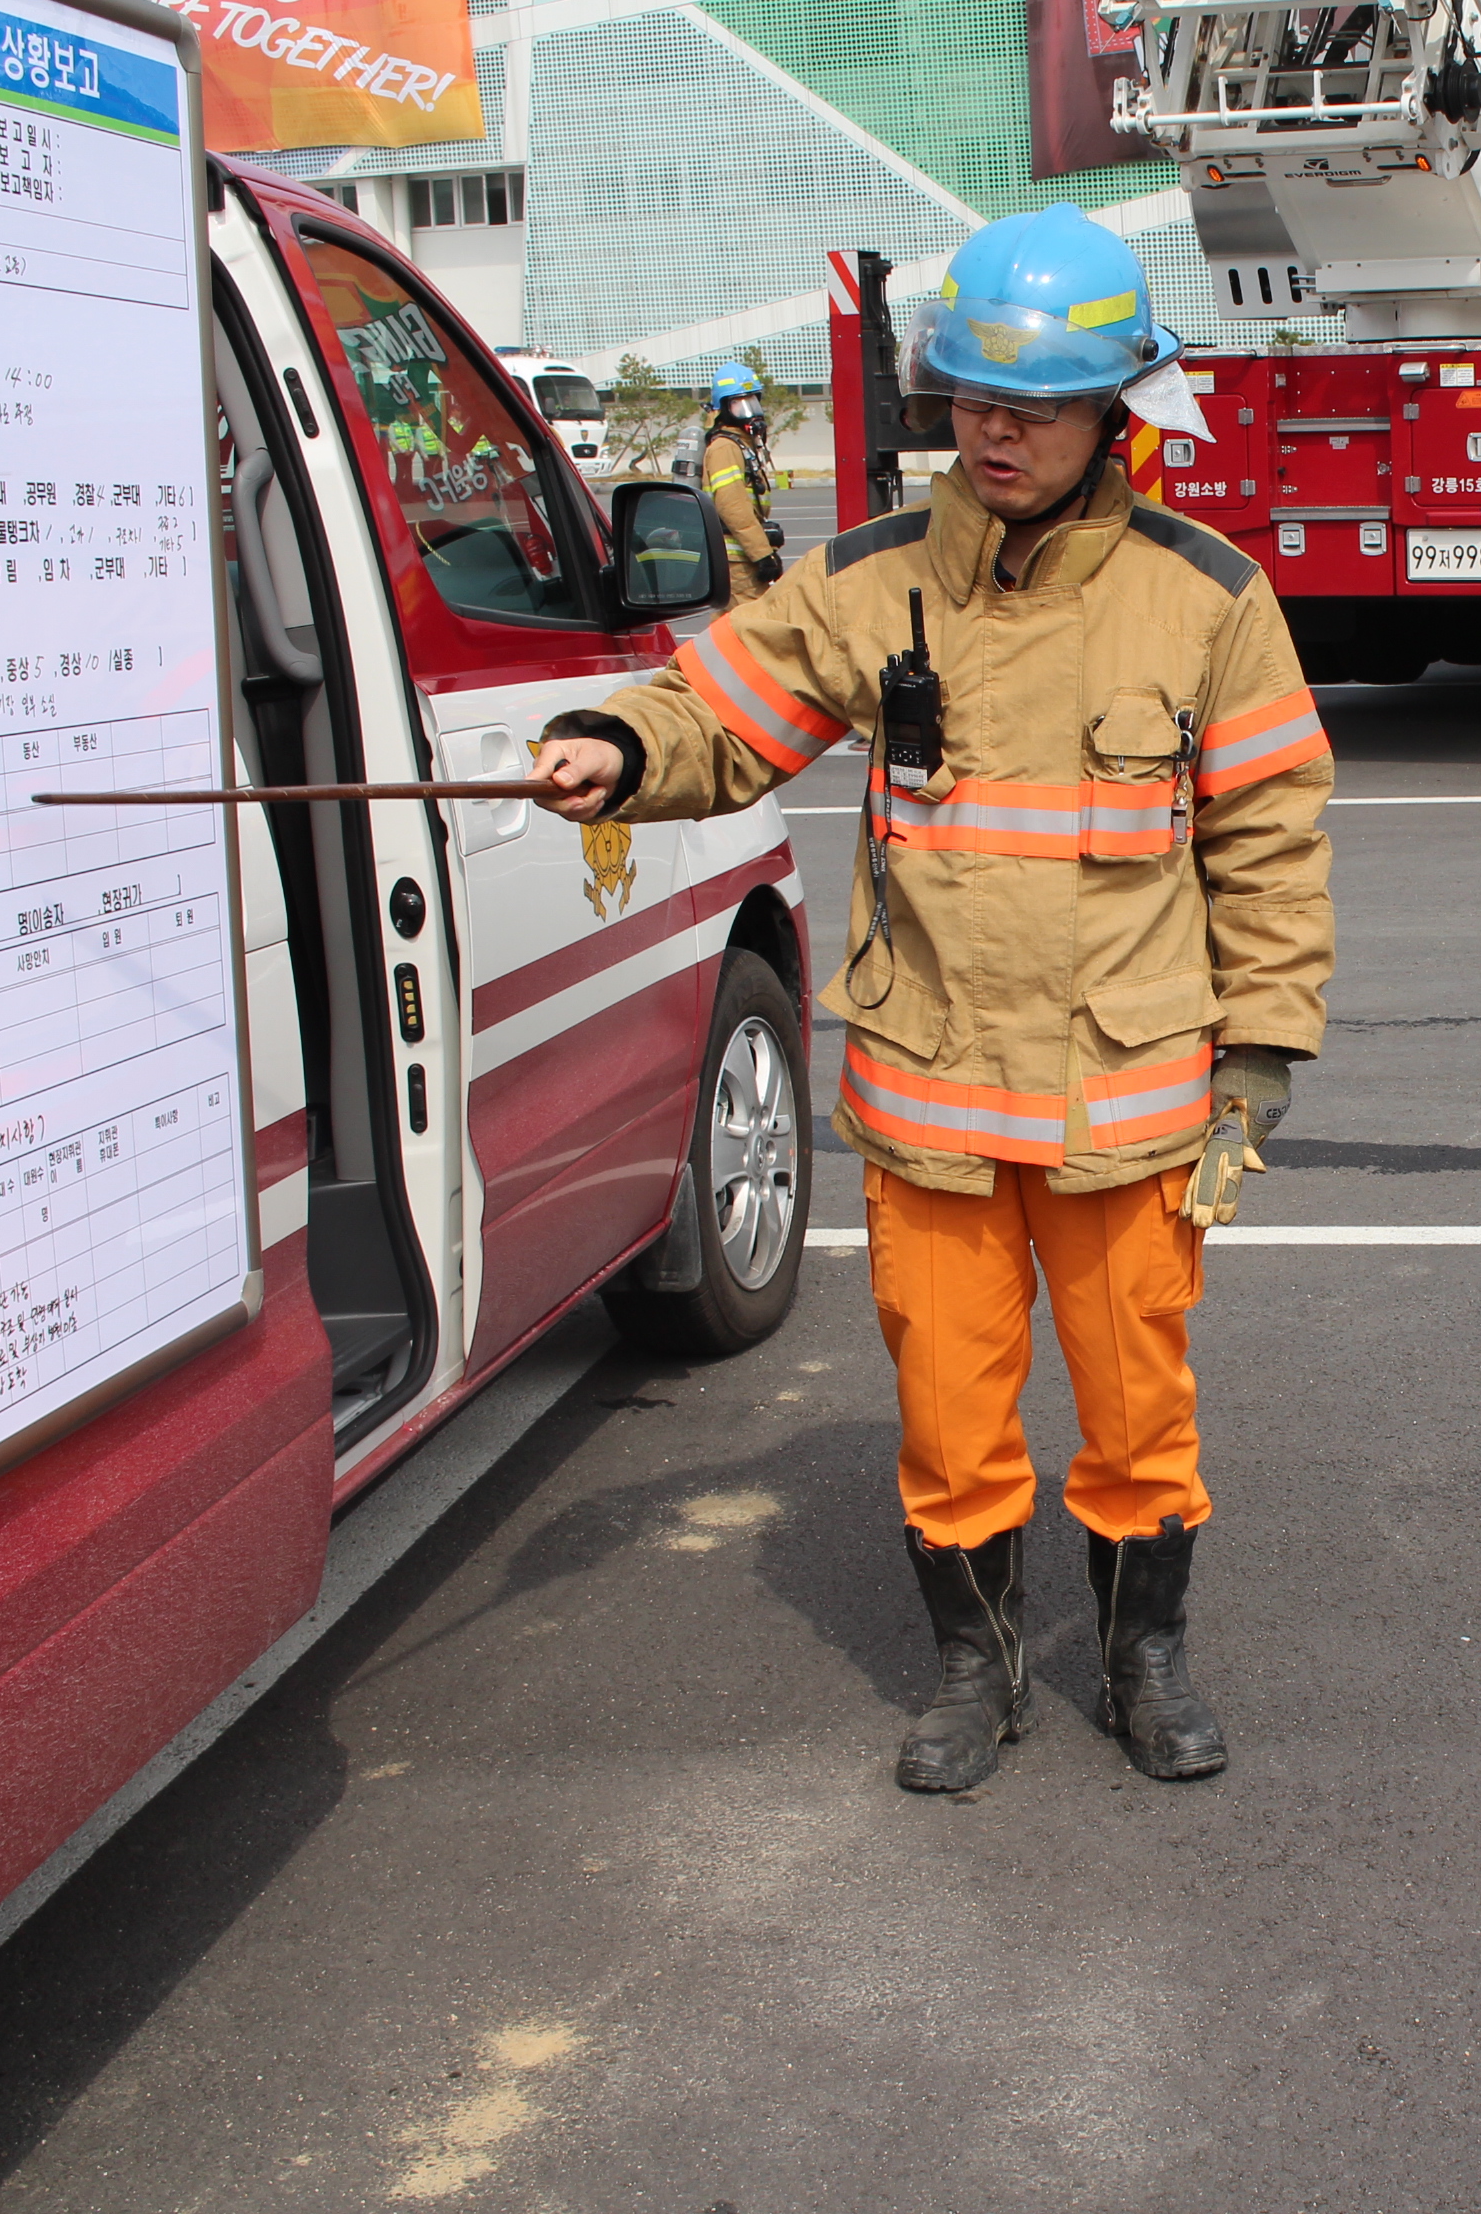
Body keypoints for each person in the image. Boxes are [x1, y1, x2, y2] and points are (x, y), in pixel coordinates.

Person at [532, 204, 1336, 1795]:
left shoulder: (1208, 598)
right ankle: (978, 1669)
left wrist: (1259, 1052)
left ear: (1115, 410)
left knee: (1137, 1411)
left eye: (1034, 407)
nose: (994, 433)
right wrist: (620, 746)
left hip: (1124, 1104)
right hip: (934, 1096)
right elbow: (720, 709)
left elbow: (1268, 842)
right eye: (972, 398)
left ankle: (1143, 1658)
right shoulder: (868, 582)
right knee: (951, 1418)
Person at [703, 362, 785, 603]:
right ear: (724, 409)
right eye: (740, 404)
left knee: (732, 622)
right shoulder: (724, 447)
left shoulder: (740, 445)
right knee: (746, 622)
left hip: (741, 559)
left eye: (753, 402)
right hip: (736, 562)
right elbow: (732, 505)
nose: (751, 412)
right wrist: (762, 554)